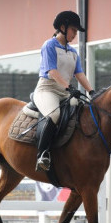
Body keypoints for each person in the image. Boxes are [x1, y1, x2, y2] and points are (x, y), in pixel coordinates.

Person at [33, 10, 95, 172]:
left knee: (82, 111)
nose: (75, 34)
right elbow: (52, 72)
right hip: (47, 89)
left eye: (76, 31)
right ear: (62, 27)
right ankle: (42, 154)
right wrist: (69, 87)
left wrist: (91, 91)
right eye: (73, 30)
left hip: (65, 92)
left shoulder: (73, 52)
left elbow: (79, 73)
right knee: (54, 115)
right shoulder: (49, 45)